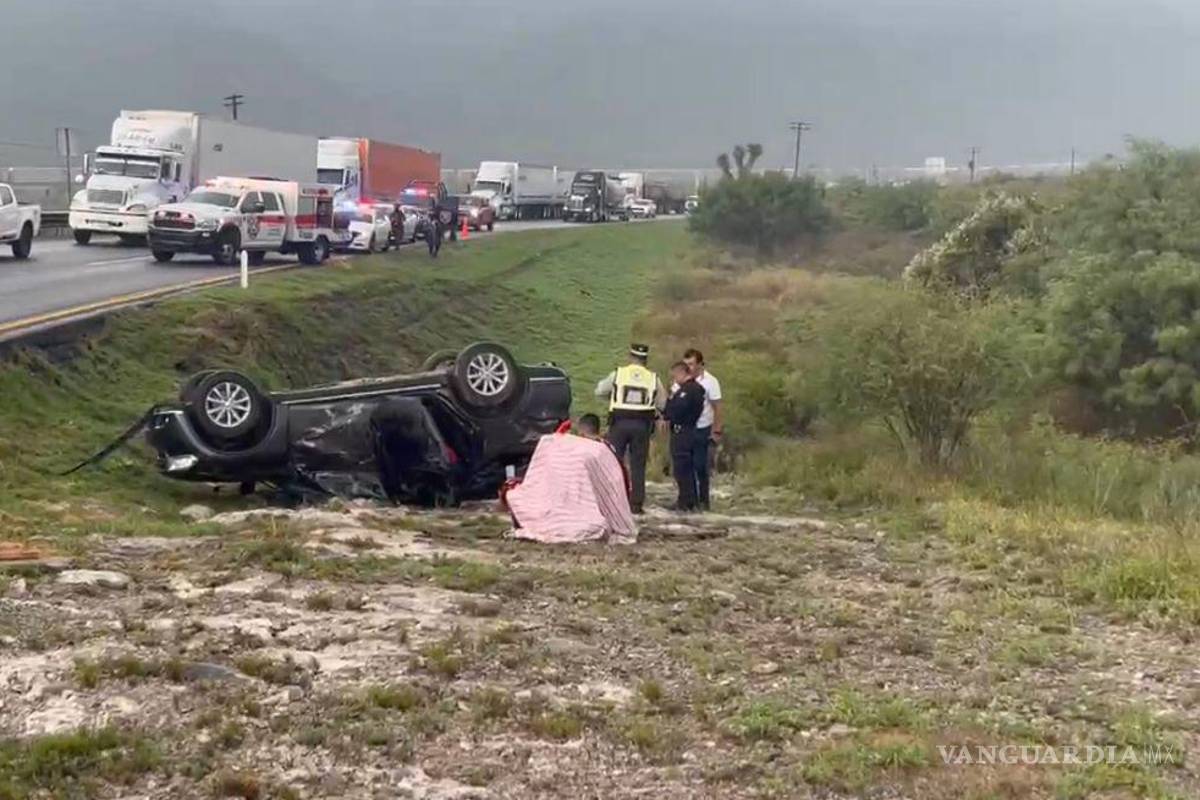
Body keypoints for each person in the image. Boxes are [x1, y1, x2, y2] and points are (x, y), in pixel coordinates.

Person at [595, 344, 666, 514]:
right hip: (642, 425)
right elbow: (662, 403)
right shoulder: (653, 378)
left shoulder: (618, 373)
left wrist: (614, 397)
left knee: (613, 462)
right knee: (638, 465)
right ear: (645, 360)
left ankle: (611, 499)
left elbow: (599, 391)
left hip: (619, 422)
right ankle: (636, 503)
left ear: (631, 357)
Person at [682, 348, 723, 511]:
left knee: (700, 465)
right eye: (686, 364)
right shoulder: (682, 380)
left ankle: (704, 500)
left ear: (699, 364)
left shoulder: (710, 381)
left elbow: (717, 406)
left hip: (703, 427)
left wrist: (717, 429)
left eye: (691, 364)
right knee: (685, 466)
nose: (688, 368)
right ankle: (688, 500)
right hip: (685, 428)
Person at [663, 361, 707, 511]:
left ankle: (686, 501)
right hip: (688, 430)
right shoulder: (692, 389)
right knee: (685, 468)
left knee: (682, 468)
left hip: (683, 431)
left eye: (675, 375)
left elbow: (675, 411)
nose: (674, 379)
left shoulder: (689, 390)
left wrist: (669, 406)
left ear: (682, 373)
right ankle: (689, 499)